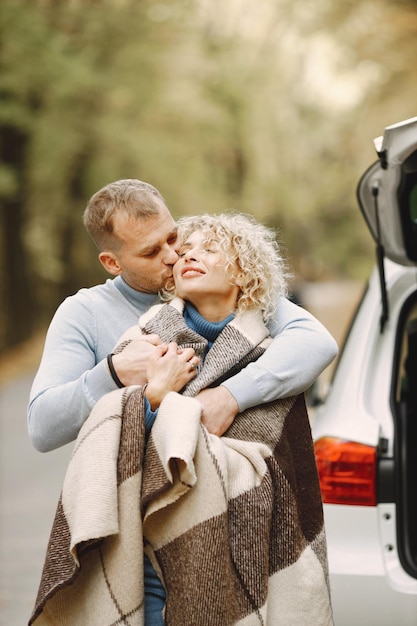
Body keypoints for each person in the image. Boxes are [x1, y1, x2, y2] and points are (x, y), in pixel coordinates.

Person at [30, 213, 334, 626]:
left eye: (209, 250)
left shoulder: (273, 350)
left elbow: (274, 459)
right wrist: (155, 397)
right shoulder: (145, 341)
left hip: (248, 544)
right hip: (147, 551)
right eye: (185, 251)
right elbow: (109, 440)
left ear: (244, 271)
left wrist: (225, 402)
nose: (186, 255)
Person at [28, 179, 337, 454]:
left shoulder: (226, 287)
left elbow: (315, 343)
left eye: (173, 237)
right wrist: (114, 372)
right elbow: (42, 426)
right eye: (151, 252)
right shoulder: (85, 312)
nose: (173, 256)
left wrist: (229, 397)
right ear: (112, 263)